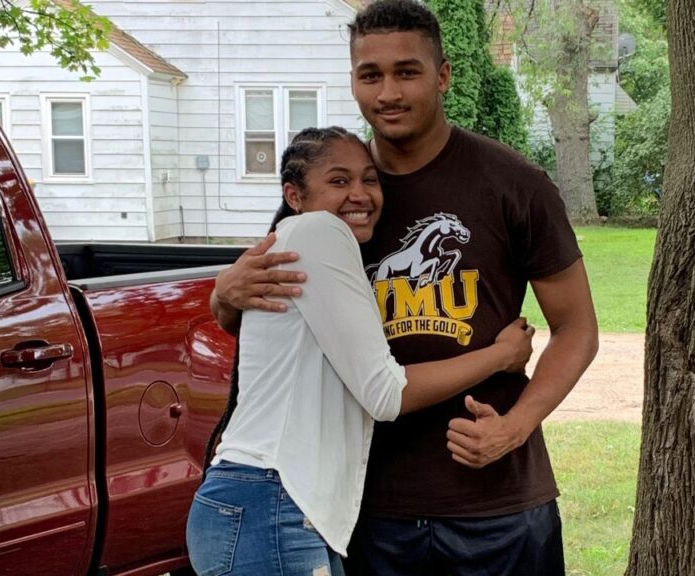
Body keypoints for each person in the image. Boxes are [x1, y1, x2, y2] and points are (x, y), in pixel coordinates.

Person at [211, 1, 599, 573]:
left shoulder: (515, 184)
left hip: (497, 502)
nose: (388, 92)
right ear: (354, 82)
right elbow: (259, 310)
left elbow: (577, 328)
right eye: (371, 75)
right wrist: (224, 292)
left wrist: (516, 427)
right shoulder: (331, 197)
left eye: (407, 71)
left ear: (442, 75)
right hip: (365, 509)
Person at [187, 127, 536, 576]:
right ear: (294, 195)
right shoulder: (320, 232)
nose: (360, 193)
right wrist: (500, 355)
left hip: (271, 506)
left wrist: (221, 298)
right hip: (274, 503)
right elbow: (386, 394)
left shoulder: (301, 242)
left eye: (369, 180)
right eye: (338, 181)